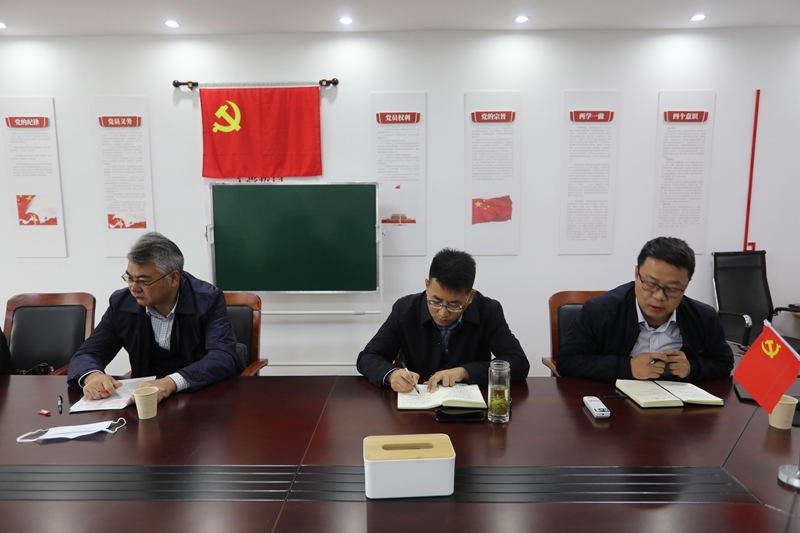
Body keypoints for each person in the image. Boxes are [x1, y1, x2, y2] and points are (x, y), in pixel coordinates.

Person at [67, 232, 241, 402]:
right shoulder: (122, 303)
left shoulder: (207, 300)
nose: (134, 288)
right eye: (129, 278)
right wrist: (93, 375)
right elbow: (89, 353)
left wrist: (171, 382)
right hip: (146, 400)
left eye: (144, 281)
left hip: (200, 396)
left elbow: (223, 356)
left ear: (173, 278)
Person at [556, 236, 733, 382]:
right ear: (636, 273)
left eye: (672, 289)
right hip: (616, 404)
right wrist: (628, 367)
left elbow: (724, 364)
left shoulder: (704, 317)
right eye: (650, 284)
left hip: (679, 408)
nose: (659, 297)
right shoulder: (599, 311)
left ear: (686, 284)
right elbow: (568, 362)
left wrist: (691, 368)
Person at [357, 248, 529, 392]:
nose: (443, 313)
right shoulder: (405, 310)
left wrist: (464, 372)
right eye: (435, 302)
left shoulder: (488, 310)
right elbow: (368, 357)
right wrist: (392, 374)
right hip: (418, 403)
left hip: (469, 408)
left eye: (454, 305)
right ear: (427, 286)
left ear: (470, 297)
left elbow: (518, 362)